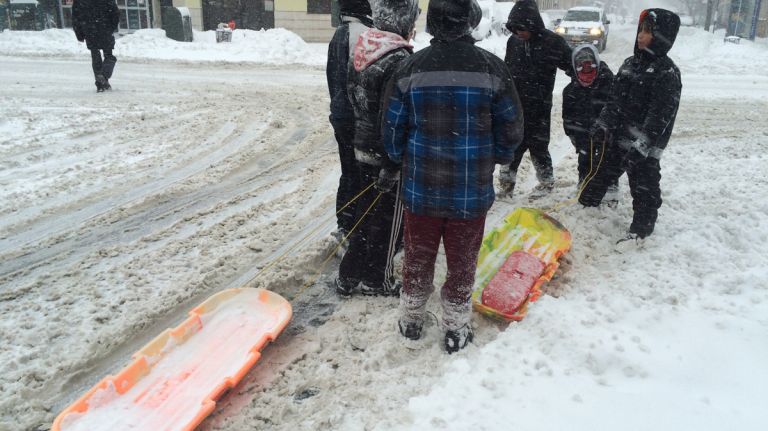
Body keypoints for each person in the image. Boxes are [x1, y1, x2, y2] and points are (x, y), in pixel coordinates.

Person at [382, 0, 523, 353]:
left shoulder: (410, 68)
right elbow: (511, 126)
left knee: (418, 254)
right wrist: (501, 157)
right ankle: (456, 327)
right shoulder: (492, 69)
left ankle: (411, 318)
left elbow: (392, 127)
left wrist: (400, 158)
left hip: (420, 191)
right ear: (468, 23)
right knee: (462, 260)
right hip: (470, 193)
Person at [334, 0, 420, 297]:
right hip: (387, 152)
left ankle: (347, 276)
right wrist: (394, 162)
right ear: (403, 21)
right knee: (387, 220)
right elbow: (396, 115)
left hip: (362, 146)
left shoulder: (364, 48)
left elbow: (353, 98)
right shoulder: (399, 59)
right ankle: (377, 280)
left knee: (364, 213)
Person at [579, 9, 682, 244]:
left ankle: (641, 230)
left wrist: (643, 144)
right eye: (641, 30)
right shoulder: (629, 64)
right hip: (618, 138)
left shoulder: (666, 72)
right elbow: (614, 101)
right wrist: (603, 123)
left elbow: (660, 116)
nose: (641, 36)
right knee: (600, 174)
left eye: (648, 31)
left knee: (644, 187)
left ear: (662, 36)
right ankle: (585, 208)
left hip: (644, 147)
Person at [499, 0, 571, 199]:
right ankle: (506, 186)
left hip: (540, 107)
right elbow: (507, 71)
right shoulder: (513, 42)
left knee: (539, 147)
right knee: (512, 147)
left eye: (522, 29)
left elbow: (573, 67)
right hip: (516, 107)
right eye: (514, 29)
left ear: (533, 24)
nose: (519, 33)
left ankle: (546, 183)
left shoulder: (553, 42)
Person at [326, 0, 373, 243]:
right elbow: (360, 80)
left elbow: (332, 77)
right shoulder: (360, 34)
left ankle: (345, 224)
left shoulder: (339, 33)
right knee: (360, 174)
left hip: (341, 115)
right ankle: (353, 227)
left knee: (348, 172)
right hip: (355, 118)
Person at [561, 44, 618, 203]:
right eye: (581, 67)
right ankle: (584, 182)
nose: (586, 71)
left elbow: (617, 110)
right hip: (582, 133)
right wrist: (572, 134)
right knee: (585, 160)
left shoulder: (610, 84)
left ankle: (611, 188)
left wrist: (608, 130)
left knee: (607, 161)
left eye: (589, 66)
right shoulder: (570, 91)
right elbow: (567, 116)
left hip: (606, 134)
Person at [72, 0, 120, 92]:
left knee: (95, 55)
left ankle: (100, 83)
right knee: (109, 56)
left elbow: (76, 17)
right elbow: (115, 13)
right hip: (105, 29)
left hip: (89, 31)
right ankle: (104, 76)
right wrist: (111, 27)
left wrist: (80, 33)